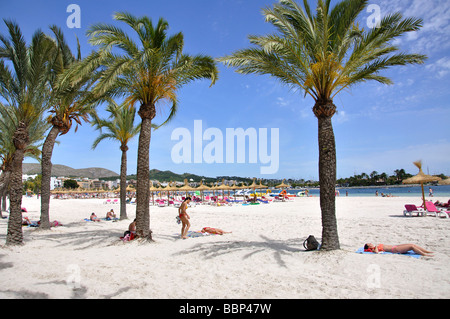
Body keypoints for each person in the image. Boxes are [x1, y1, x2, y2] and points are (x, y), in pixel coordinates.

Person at [364, 243, 434, 257]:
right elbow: (376, 252)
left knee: (413, 244)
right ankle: (424, 254)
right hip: (394, 249)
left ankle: (426, 251)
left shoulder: (375, 246)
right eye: (369, 244)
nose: (371, 243)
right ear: (369, 247)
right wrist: (376, 247)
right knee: (412, 247)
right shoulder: (374, 249)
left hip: (395, 246)